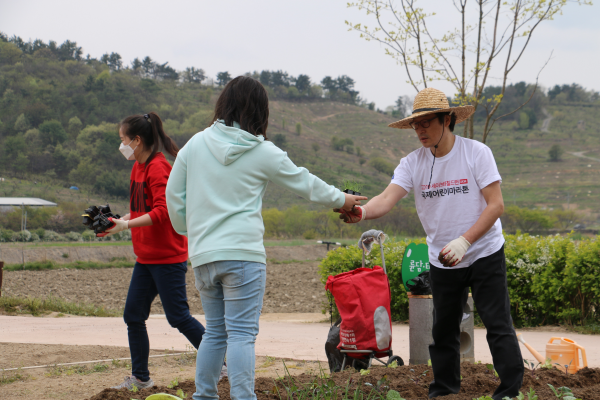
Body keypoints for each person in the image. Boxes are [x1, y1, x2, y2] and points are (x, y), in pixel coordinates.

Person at [165, 76, 366, 400]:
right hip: (243, 256)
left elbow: (174, 196)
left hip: (204, 255)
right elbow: (305, 182)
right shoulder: (260, 151)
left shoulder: (195, 145)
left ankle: (204, 397)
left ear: (224, 104)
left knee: (215, 333)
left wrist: (190, 231)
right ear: (260, 111)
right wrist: (342, 200)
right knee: (242, 336)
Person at [336, 88, 523, 400]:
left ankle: (509, 392)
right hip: (443, 258)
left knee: (497, 323)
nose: (420, 130)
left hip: (483, 251)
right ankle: (444, 391)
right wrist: (363, 213)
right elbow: (386, 198)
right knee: (443, 330)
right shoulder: (412, 163)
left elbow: (496, 205)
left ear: (447, 120)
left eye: (426, 123)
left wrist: (465, 241)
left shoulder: (476, 153)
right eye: (415, 125)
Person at [102, 112, 208, 390]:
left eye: (122, 140)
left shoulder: (158, 168)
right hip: (146, 257)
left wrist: (125, 225)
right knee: (133, 315)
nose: (121, 145)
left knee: (178, 317)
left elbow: (163, 211)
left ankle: (221, 363)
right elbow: (142, 209)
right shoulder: (138, 167)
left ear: (136, 140)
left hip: (167, 257)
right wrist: (118, 221)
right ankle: (141, 378)